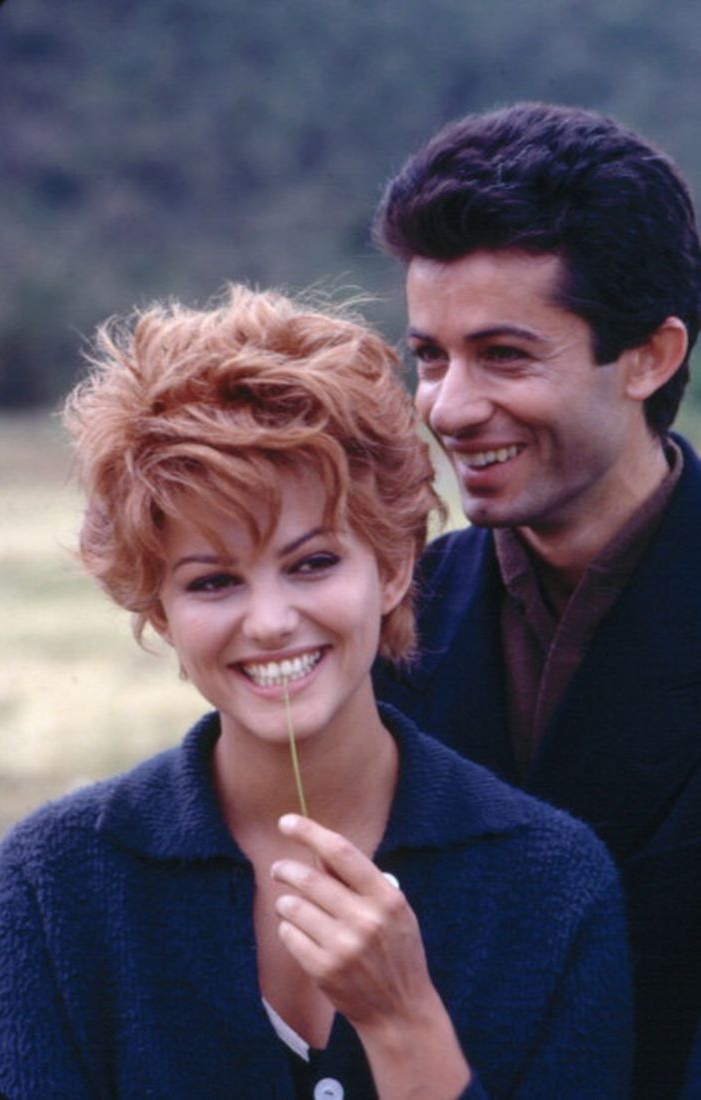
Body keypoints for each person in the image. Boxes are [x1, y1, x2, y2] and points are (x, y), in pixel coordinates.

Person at [0, 285, 630, 1099]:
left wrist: (404, 1024)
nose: (269, 623)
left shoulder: (553, 884)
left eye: (313, 563)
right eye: (213, 580)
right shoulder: (51, 886)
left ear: (394, 566)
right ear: (159, 610)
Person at [371, 100, 701, 1100]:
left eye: (504, 355)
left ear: (650, 356)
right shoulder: (391, 614)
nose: (449, 407)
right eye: (430, 355)